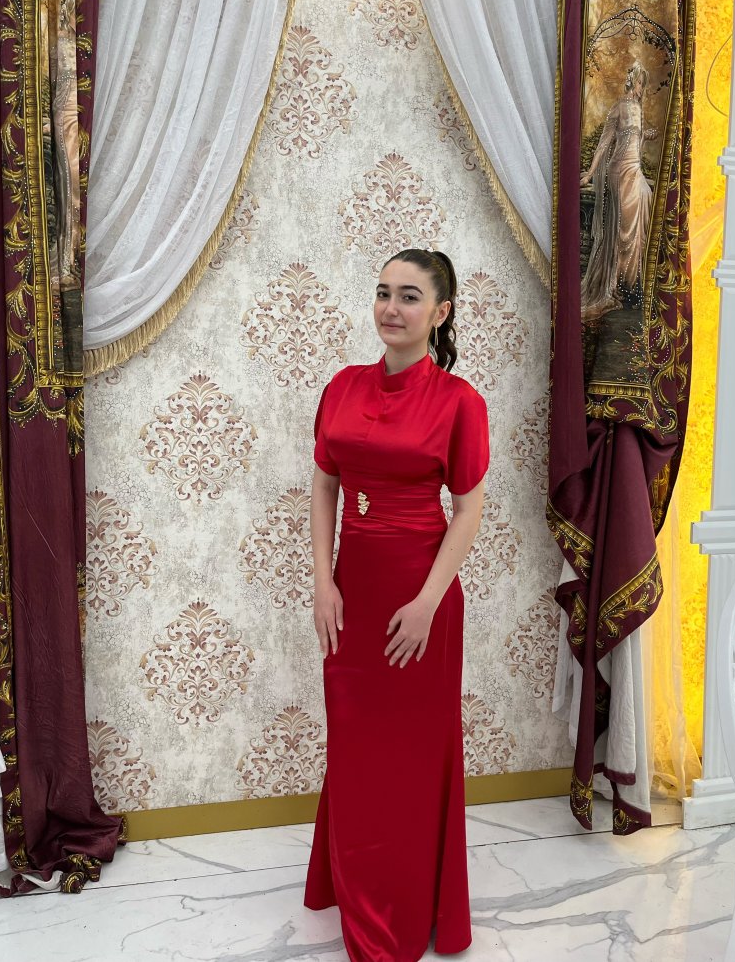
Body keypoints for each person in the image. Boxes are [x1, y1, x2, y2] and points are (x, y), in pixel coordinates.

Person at [303, 247, 490, 962]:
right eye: (383, 292)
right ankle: (352, 879)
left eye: (409, 296)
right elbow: (325, 484)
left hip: (421, 594)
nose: (391, 307)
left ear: (440, 312)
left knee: (411, 754)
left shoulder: (459, 402)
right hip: (353, 589)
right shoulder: (343, 386)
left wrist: (426, 604)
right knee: (355, 743)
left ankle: (405, 904)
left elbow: (468, 510)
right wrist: (323, 580)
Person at [579, 59, 659, 321]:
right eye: (639, 83)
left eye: (643, 84)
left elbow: (635, 140)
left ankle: (631, 284)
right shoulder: (619, 107)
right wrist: (590, 173)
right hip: (618, 169)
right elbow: (604, 144)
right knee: (622, 224)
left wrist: (646, 135)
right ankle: (615, 285)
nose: (641, 88)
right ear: (631, 81)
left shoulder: (638, 108)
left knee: (645, 202)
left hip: (635, 168)